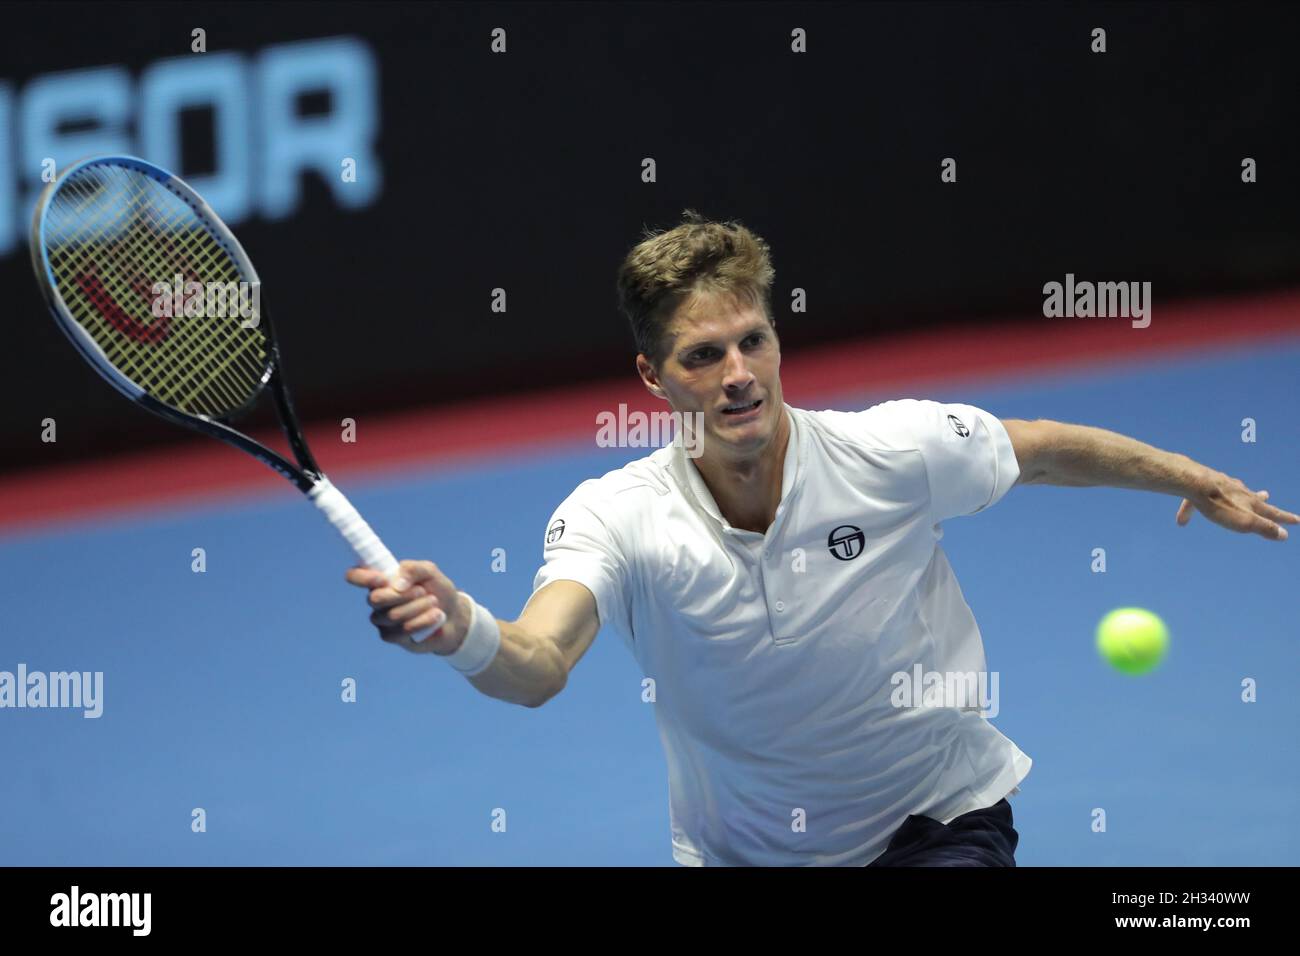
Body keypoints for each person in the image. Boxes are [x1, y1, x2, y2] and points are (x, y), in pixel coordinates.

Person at [345, 211, 1297, 866]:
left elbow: (1041, 450)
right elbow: (540, 660)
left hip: (939, 821)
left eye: (752, 341)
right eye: (703, 356)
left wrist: (1198, 478)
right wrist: (458, 627)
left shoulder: (892, 449)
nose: (738, 375)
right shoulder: (615, 515)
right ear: (652, 377)